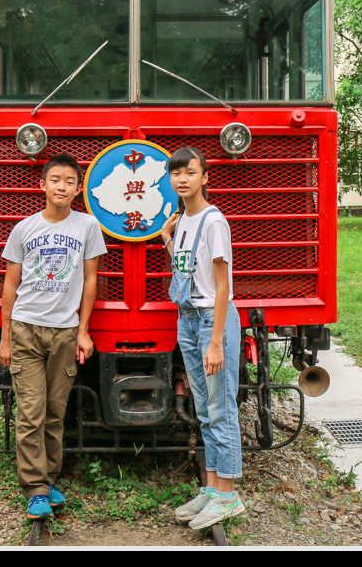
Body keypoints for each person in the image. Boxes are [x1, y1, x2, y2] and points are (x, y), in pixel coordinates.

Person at [0, 153, 107, 520]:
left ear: (78, 189)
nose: (62, 187)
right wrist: (5, 338)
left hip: (64, 332)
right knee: (31, 413)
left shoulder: (88, 226)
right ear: (43, 184)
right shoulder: (23, 229)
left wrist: (83, 331)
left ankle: (48, 479)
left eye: (69, 181)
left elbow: (90, 279)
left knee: (55, 412)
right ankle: (35, 488)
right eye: (55, 180)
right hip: (26, 328)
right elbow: (10, 285)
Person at [159, 146, 245, 529]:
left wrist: (215, 342)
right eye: (176, 173)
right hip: (188, 319)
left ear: (204, 177)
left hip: (212, 320)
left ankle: (228, 495)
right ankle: (211, 489)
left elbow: (223, 286)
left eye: (190, 172)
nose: (182, 179)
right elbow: (187, 270)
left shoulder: (213, 221)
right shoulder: (183, 221)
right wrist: (167, 238)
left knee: (221, 407)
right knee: (205, 410)